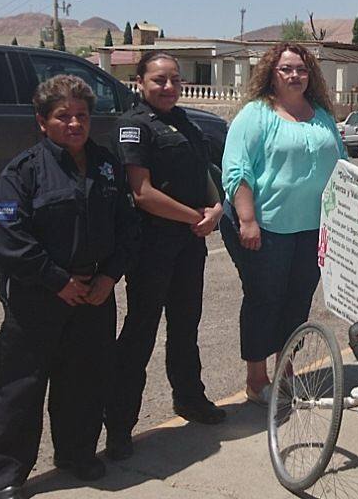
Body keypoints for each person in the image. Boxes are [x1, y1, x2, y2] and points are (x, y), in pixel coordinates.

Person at [0, 75, 139, 499]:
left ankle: (76, 453)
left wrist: (109, 276)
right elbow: (5, 237)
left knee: (84, 380)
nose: (74, 124)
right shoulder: (23, 172)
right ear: (42, 121)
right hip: (38, 295)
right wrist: (55, 279)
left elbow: (128, 227)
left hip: (94, 293)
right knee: (21, 386)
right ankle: (5, 474)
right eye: (63, 116)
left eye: (82, 115)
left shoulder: (106, 166)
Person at [105, 51, 225, 460]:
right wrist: (196, 217)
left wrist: (216, 208)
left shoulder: (185, 122)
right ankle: (119, 427)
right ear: (140, 82)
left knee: (186, 326)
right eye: (159, 80)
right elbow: (142, 193)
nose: (169, 86)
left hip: (189, 243)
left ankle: (189, 398)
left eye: (174, 79)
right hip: (152, 245)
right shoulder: (134, 127)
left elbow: (204, 173)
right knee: (140, 333)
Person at [219, 42, 345, 403]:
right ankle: (256, 380)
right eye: (286, 69)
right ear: (271, 74)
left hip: (312, 229)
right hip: (266, 228)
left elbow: (342, 165)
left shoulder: (322, 115)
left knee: (297, 301)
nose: (295, 75)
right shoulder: (255, 114)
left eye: (301, 69)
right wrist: (247, 219)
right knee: (264, 300)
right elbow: (237, 169)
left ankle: (286, 370)